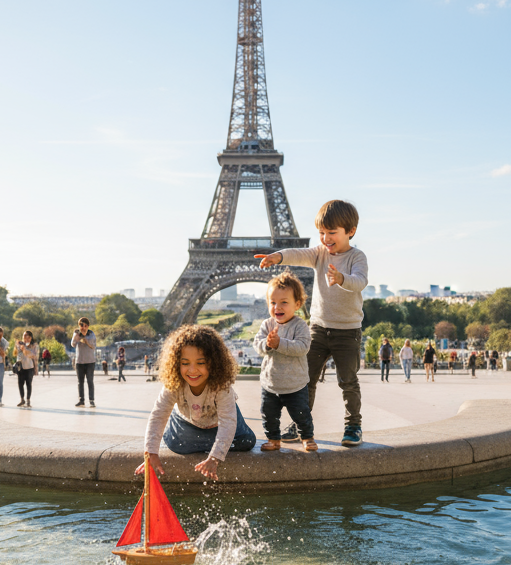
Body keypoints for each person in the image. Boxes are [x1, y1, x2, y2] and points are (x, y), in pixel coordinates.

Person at [256, 200, 368, 446]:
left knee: (348, 381)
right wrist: (278, 256)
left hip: (347, 331)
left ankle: (353, 426)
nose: (325, 238)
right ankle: (300, 425)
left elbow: (360, 281)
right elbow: (298, 254)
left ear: (350, 231)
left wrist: (341, 278)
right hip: (318, 328)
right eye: (321, 233)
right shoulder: (319, 253)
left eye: (331, 232)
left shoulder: (357, 257)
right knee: (306, 380)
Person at [136, 324, 256, 482]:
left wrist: (215, 457)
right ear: (175, 363)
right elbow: (158, 415)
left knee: (246, 442)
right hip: (187, 421)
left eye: (201, 363)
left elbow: (228, 421)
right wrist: (151, 453)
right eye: (185, 363)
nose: (192, 370)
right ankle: (211, 443)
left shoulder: (222, 386)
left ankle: (211, 443)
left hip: (219, 422)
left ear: (214, 363)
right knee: (177, 445)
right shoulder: (174, 384)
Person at [254, 271, 316, 452]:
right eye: (272, 302)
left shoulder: (300, 325)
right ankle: (273, 439)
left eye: (283, 302)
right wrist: (267, 344)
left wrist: (279, 343)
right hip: (270, 384)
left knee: (301, 414)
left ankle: (307, 437)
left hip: (294, 384)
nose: (277, 307)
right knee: (268, 415)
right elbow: (257, 346)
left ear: (297, 304)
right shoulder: (267, 325)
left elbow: (303, 347)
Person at [72, 317, 97, 408]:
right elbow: (73, 344)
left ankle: (91, 400)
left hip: (90, 362)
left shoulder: (91, 334)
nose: (83, 327)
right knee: (80, 382)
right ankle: (81, 400)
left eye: (85, 326)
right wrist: (76, 338)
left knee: (90, 381)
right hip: (79, 362)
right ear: (79, 326)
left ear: (88, 326)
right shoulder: (76, 333)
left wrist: (86, 341)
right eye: (82, 325)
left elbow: (93, 346)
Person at [14, 330, 39, 408]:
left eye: (28, 337)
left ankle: (28, 400)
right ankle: (22, 399)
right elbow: (15, 354)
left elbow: (34, 356)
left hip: (29, 367)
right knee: (20, 384)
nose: (26, 339)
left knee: (29, 384)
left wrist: (25, 349)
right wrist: (18, 347)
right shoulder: (20, 344)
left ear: (31, 338)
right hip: (20, 367)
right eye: (25, 336)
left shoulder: (34, 346)